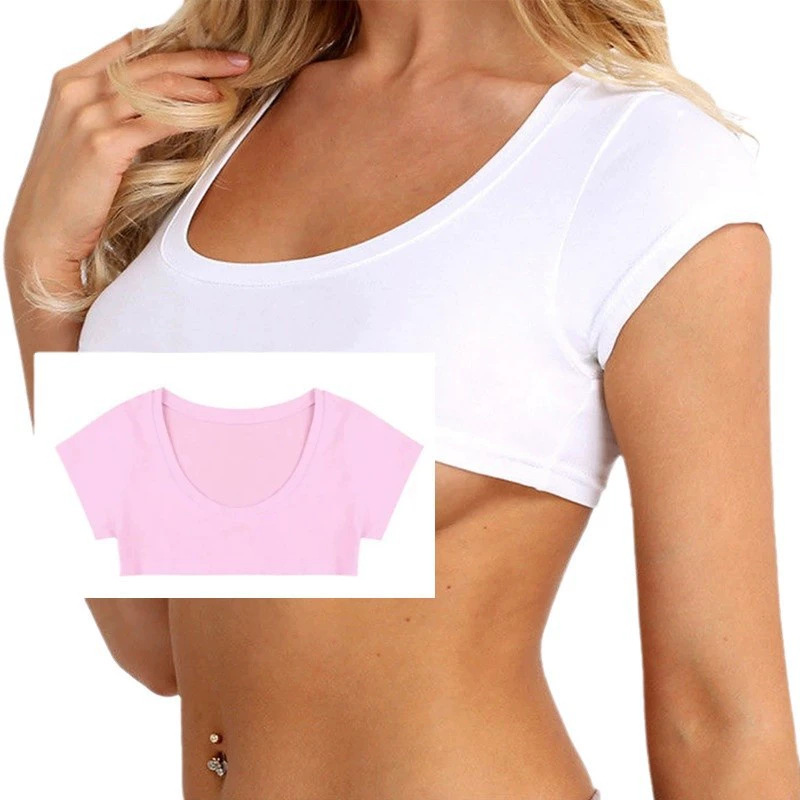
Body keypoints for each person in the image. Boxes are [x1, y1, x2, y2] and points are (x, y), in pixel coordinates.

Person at [5, 1, 800, 798]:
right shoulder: (213, 123)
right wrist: (40, 265)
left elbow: (720, 721)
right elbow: (153, 641)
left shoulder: (634, 158)